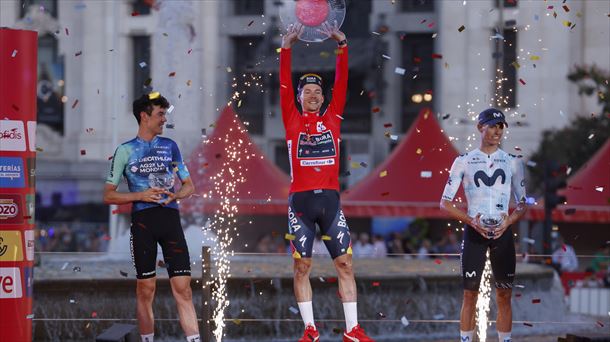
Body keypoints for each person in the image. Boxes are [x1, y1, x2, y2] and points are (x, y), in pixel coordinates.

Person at [280, 22, 374, 342]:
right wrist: (286, 47)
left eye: (318, 92)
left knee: (345, 264)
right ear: (298, 96)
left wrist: (342, 44)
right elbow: (282, 81)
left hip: (331, 201)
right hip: (301, 203)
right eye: (307, 92)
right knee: (301, 267)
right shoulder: (291, 119)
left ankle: (352, 330)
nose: (314, 96)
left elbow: (344, 81)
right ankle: (309, 329)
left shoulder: (333, 118)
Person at [103, 92, 200, 342]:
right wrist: (141, 195)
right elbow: (109, 195)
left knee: (184, 290)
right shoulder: (124, 150)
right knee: (146, 290)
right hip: (143, 224)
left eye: (165, 114)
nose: (164, 119)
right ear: (144, 117)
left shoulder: (170, 146)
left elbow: (190, 185)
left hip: (170, 222)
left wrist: (176, 195)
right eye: (160, 114)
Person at [440, 108, 527, 342]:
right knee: (470, 294)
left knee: (504, 295)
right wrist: (470, 221)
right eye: (492, 126)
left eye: (500, 126)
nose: (497, 131)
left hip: (503, 233)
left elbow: (523, 203)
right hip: (474, 233)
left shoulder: (513, 162)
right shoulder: (463, 161)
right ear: (480, 127)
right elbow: (444, 203)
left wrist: (509, 220)